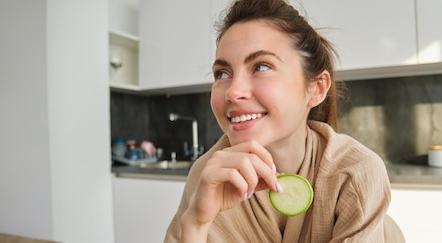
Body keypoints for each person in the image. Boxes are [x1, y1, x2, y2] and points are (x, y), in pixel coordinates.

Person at [165, 0, 403, 242]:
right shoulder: (208, 175)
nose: (233, 92)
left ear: (317, 89)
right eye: (222, 74)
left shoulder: (355, 173)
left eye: (261, 66)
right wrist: (195, 224)